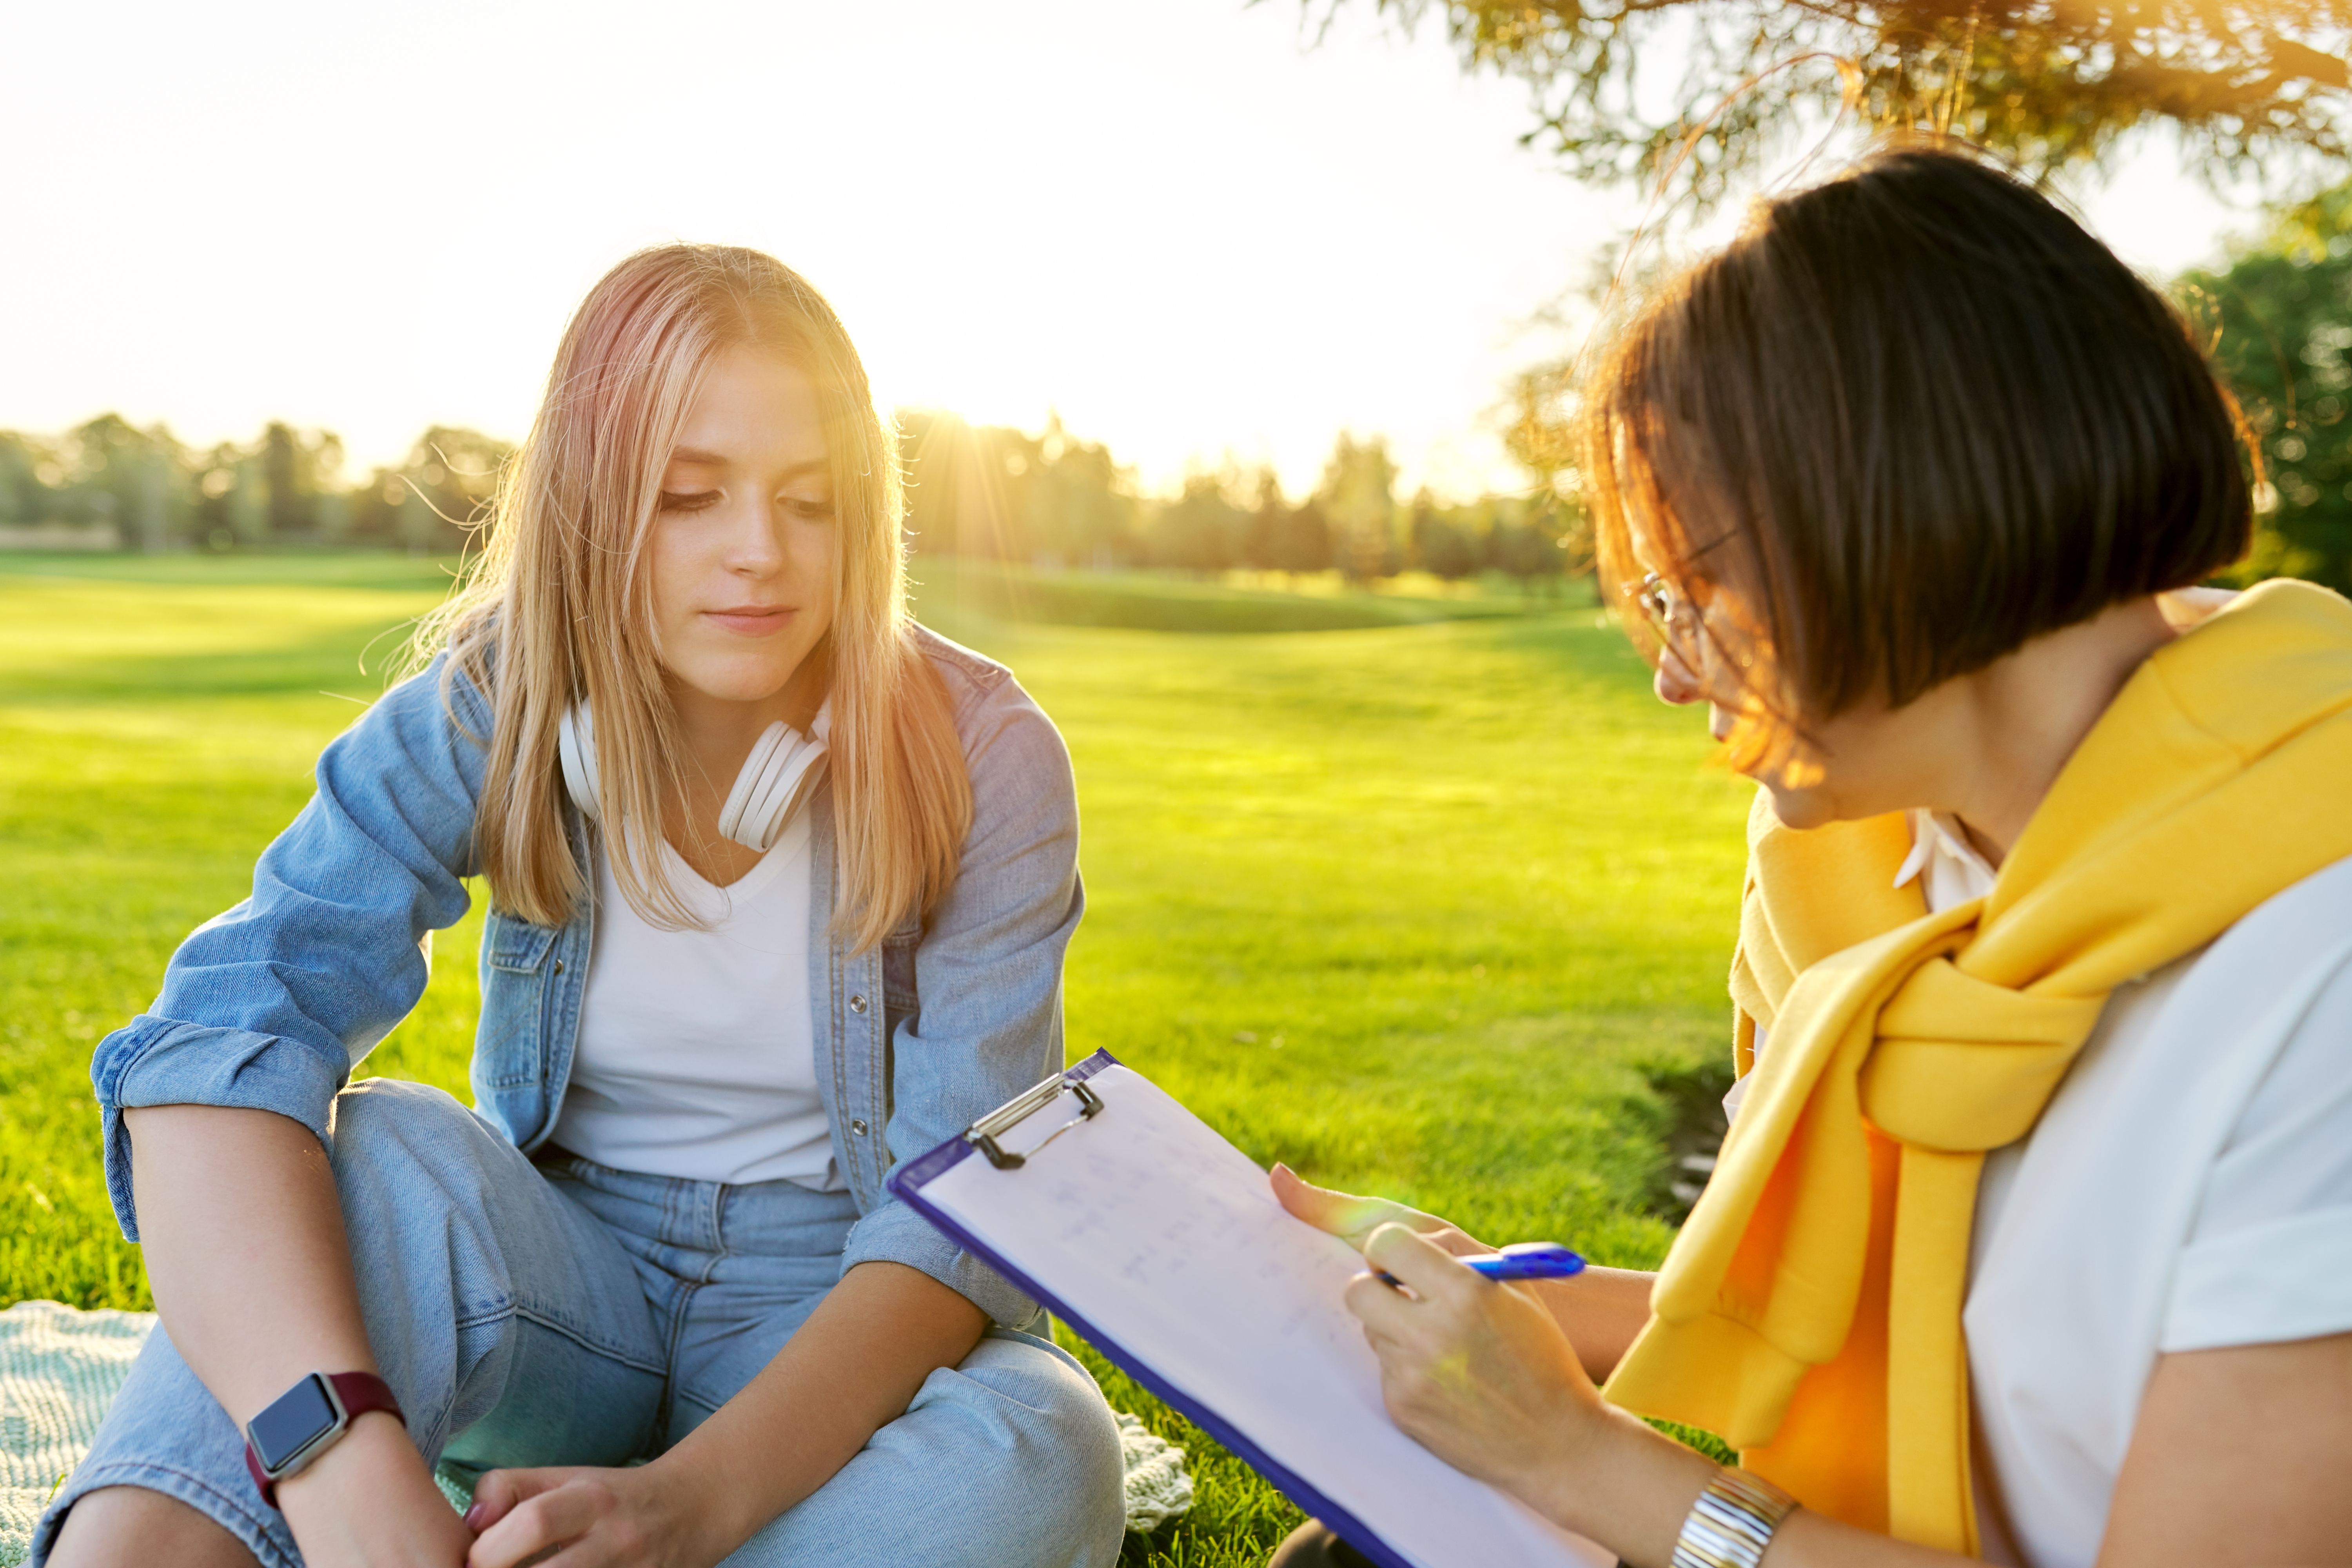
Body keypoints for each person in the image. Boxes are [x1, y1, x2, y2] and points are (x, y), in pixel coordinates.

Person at [1269, 147, 2352, 1568]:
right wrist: (1500, 1308)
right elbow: (1892, 1307)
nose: (1671, 673)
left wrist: (1581, 1458)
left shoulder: (2311, 966)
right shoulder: (1853, 878)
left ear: (1890, 514)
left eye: (1691, 588)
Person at [38, 245, 1126, 1568]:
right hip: (567, 1289)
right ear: (591, 507)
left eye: (812, 500)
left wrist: (690, 1505)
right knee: (377, 1157)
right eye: (688, 496)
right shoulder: (494, 705)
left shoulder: (985, 753)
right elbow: (220, 1043)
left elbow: (957, 1220)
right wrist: (344, 1469)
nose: (760, 556)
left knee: (1041, 1451)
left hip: (832, 1309)